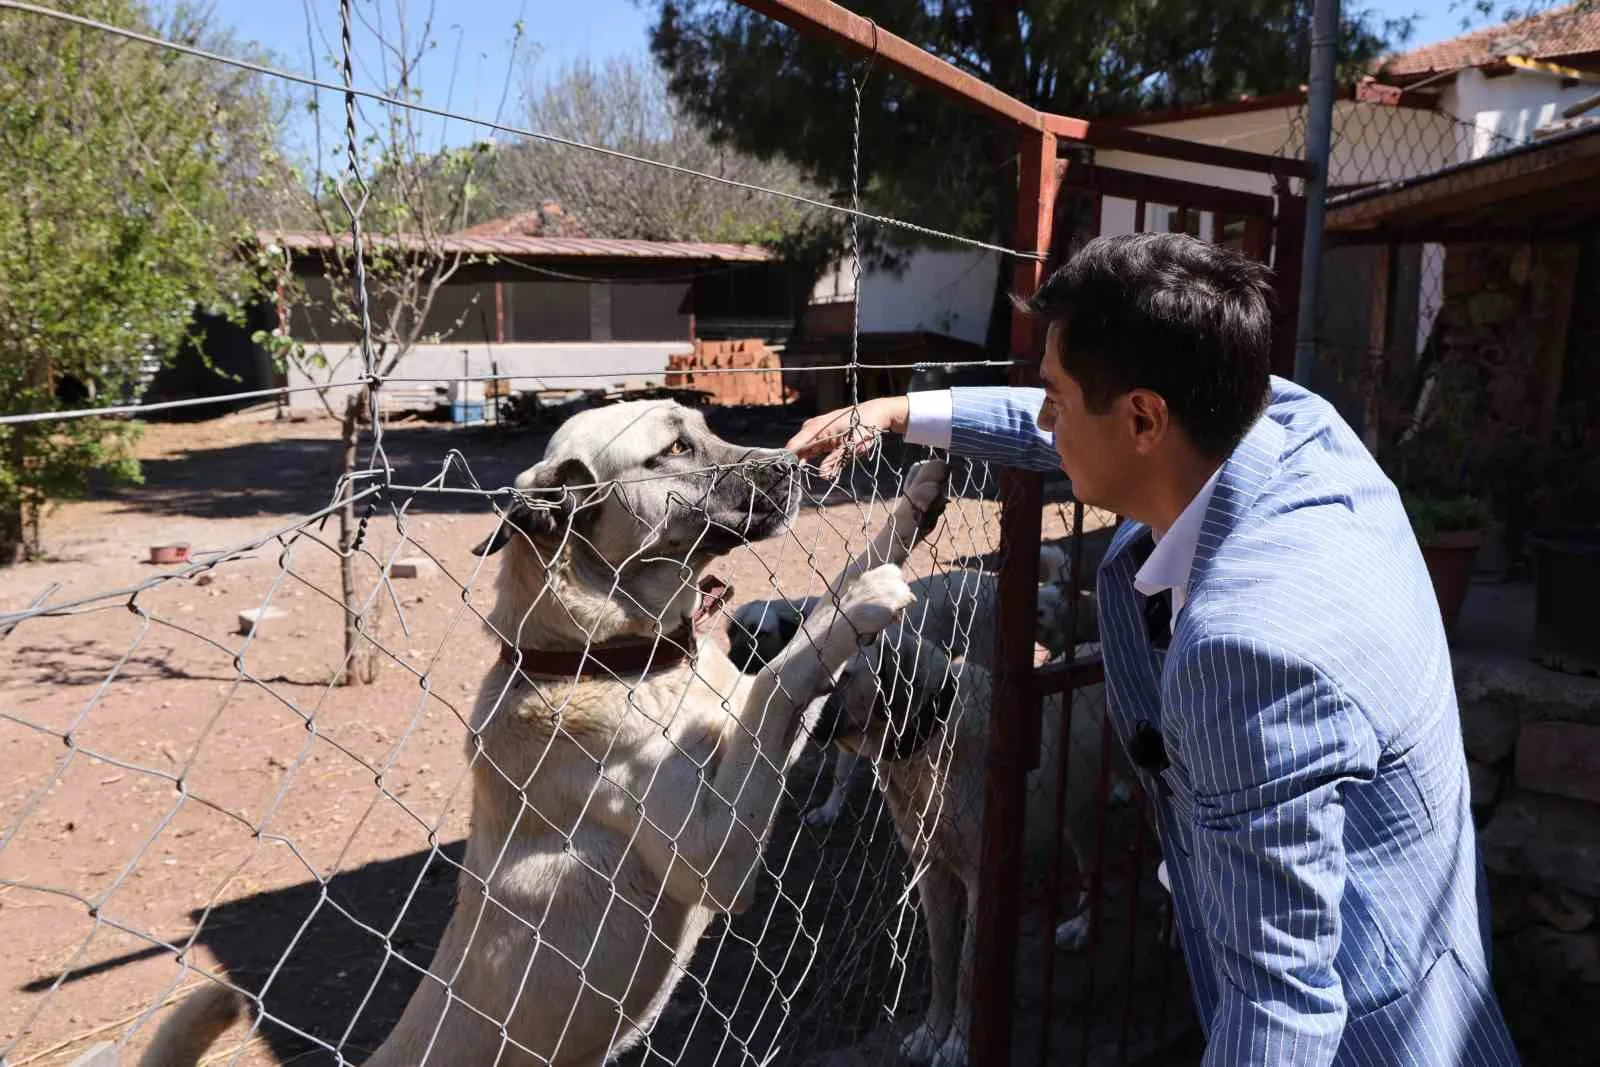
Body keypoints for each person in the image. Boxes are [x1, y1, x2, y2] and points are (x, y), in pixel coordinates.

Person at [786, 233, 1518, 1065]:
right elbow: (1070, 429)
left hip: (1369, 1038)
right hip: (1437, 971)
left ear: (1143, 417)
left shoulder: (1246, 653)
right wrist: (899, 413)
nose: (1045, 417)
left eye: (1055, 396)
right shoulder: (1290, 424)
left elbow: (1278, 1008)